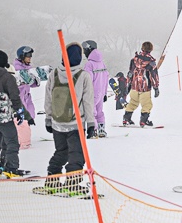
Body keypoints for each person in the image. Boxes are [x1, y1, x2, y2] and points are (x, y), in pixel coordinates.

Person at [43, 42, 96, 195]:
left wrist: (48, 118)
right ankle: (72, 183)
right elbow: (88, 101)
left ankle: (52, 179)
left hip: (57, 122)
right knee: (76, 154)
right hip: (75, 123)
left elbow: (48, 98)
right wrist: (91, 123)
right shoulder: (83, 76)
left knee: (61, 151)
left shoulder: (53, 74)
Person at [124, 41, 159, 126]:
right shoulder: (151, 62)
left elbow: (130, 72)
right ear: (151, 49)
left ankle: (126, 119)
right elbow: (154, 76)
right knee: (146, 104)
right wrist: (156, 87)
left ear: (142, 48)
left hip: (134, 86)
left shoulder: (134, 59)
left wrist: (128, 83)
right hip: (145, 87)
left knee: (133, 102)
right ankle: (144, 120)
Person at [82, 40, 110, 137]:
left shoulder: (89, 64)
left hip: (92, 93)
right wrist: (105, 93)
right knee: (99, 112)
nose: (84, 53)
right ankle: (101, 130)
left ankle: (93, 130)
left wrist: (84, 93)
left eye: (85, 50)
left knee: (91, 112)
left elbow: (87, 80)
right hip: (101, 93)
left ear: (89, 50)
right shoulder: (102, 63)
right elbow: (106, 78)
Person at [13, 46, 39, 126]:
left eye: (31, 55)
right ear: (22, 56)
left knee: (30, 117)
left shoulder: (28, 69)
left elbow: (31, 84)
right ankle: (20, 137)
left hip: (27, 98)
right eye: (28, 55)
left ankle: (25, 136)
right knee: (22, 120)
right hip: (20, 98)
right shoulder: (16, 69)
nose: (30, 57)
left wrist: (35, 81)